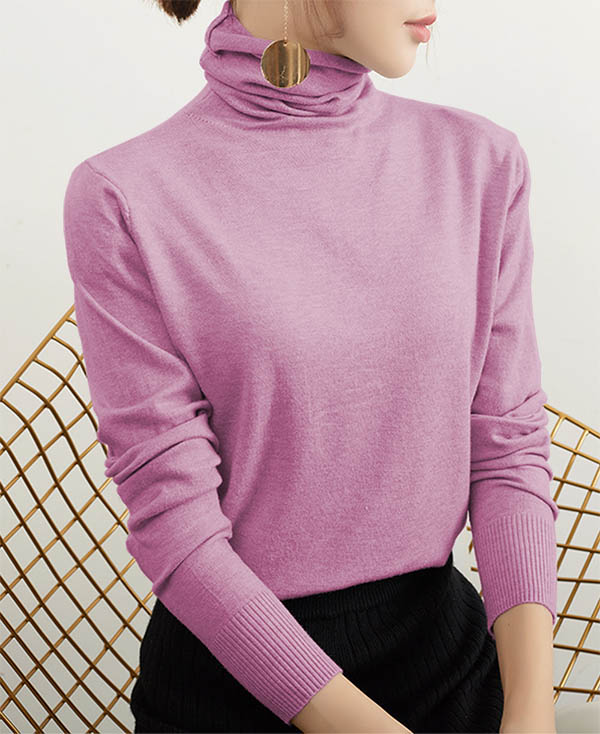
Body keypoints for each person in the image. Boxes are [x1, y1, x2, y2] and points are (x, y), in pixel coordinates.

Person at [62, 1, 559, 732]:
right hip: (234, 689)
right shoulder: (122, 196)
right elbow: (175, 524)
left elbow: (508, 450)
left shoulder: (481, 162)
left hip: (448, 671)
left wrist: (532, 712)